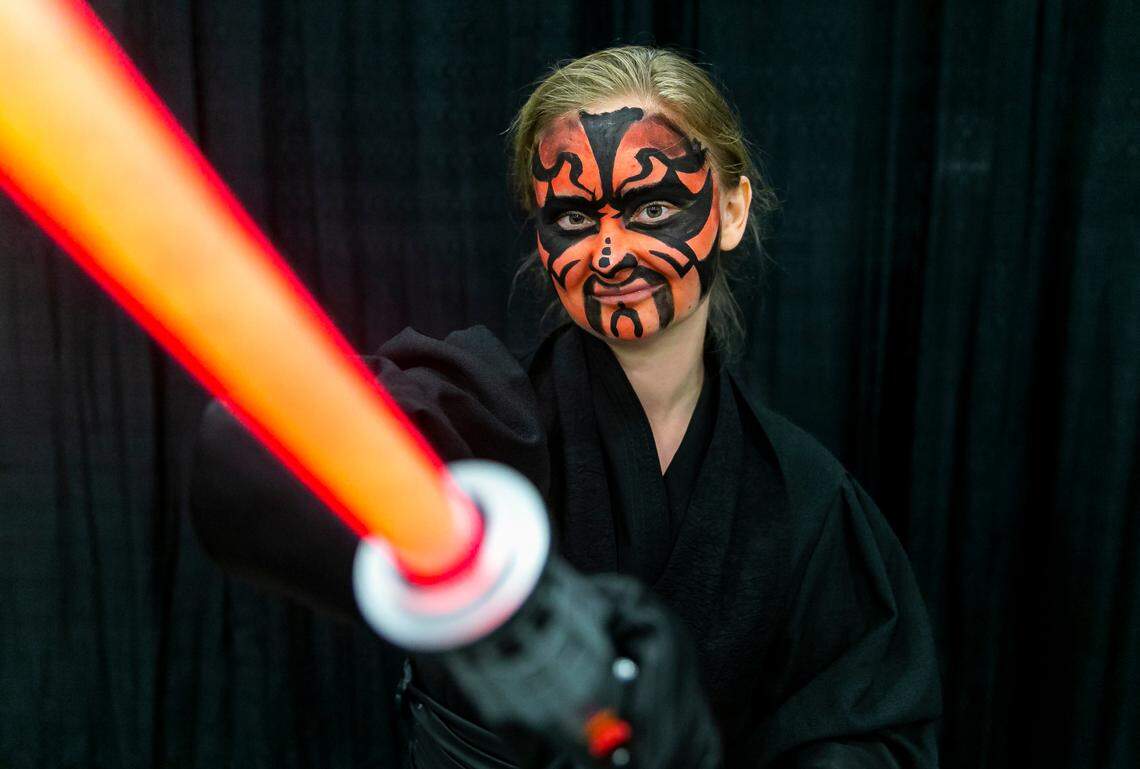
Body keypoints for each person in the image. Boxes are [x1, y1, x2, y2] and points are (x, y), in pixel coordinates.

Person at [189, 46, 942, 768]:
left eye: (651, 207)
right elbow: (247, 451)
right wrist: (516, 595)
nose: (610, 254)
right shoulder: (478, 411)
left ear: (734, 208)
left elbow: (872, 730)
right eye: (577, 220)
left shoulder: (807, 499)